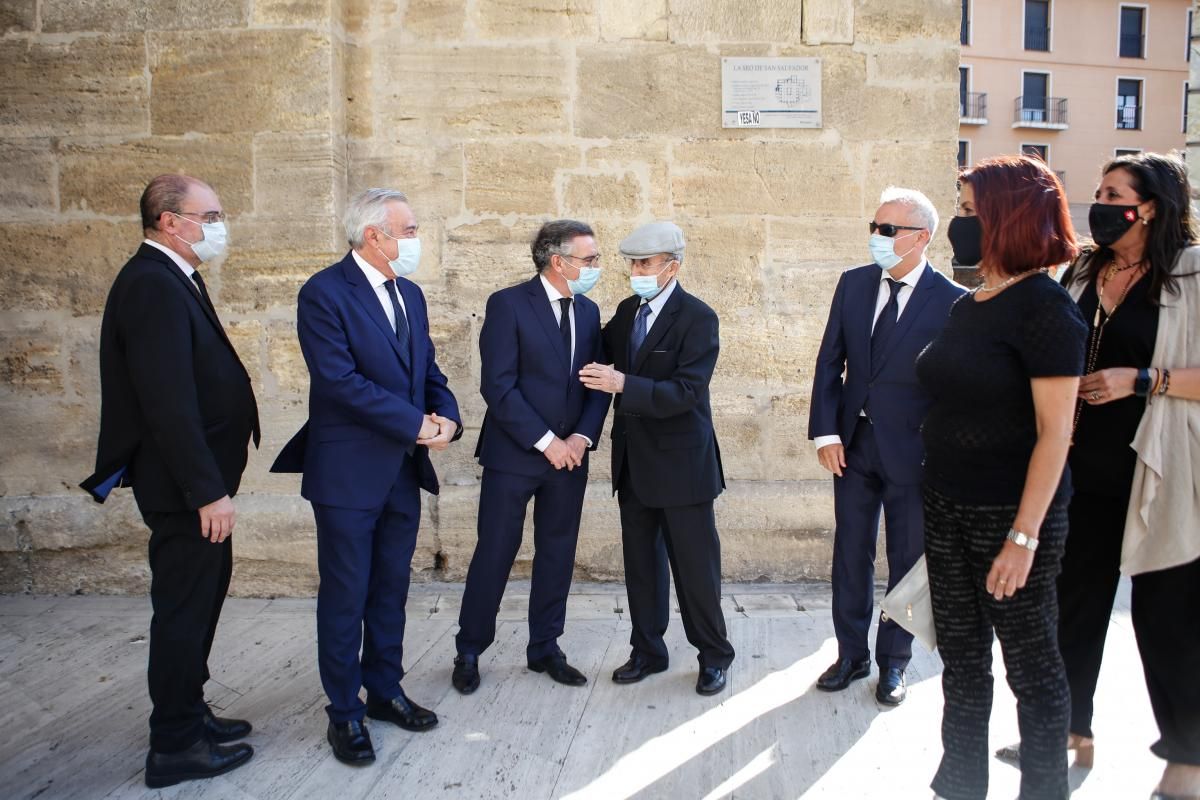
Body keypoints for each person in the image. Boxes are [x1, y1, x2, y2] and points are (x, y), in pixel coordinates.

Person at [1001, 152, 1200, 800]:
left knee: (1167, 620)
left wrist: (1143, 379)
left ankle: (1188, 759)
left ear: (1149, 206)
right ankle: (1069, 730)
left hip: (1157, 473)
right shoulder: (1085, 269)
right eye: (1099, 192)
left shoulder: (1191, 275)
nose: (1101, 203)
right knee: (1071, 610)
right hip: (1078, 474)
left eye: (1113, 193)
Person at [271, 188, 462, 766]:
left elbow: (427, 367)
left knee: (390, 590)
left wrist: (446, 415)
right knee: (345, 595)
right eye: (408, 229)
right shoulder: (325, 293)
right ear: (374, 236)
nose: (415, 239)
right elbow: (339, 382)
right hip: (349, 475)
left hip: (402, 472)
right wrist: (415, 424)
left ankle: (384, 690)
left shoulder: (412, 294)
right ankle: (344, 713)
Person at [916, 155, 1087, 800]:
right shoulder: (976, 301)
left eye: (967, 212)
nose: (959, 225)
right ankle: (961, 784)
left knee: (1032, 668)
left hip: (1008, 516)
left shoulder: (1044, 308)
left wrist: (1023, 538)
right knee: (961, 663)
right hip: (947, 504)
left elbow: (1056, 434)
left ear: (1005, 218)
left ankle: (1044, 790)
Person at [81, 174, 259, 788]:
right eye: (209, 214)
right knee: (183, 610)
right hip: (186, 491)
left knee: (201, 603)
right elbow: (168, 403)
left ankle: (189, 711)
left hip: (199, 485)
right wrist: (206, 491)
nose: (218, 223)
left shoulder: (175, 277)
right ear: (168, 221)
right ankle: (175, 744)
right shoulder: (152, 285)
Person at [809, 187, 964, 706]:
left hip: (915, 455)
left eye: (887, 230)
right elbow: (830, 362)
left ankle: (895, 662)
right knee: (850, 554)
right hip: (852, 446)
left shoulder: (951, 301)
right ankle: (851, 655)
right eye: (873, 227)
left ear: (920, 238)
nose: (876, 237)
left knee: (908, 558)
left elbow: (953, 387)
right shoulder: (853, 285)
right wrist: (826, 433)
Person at [451, 220, 612, 693]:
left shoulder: (588, 310)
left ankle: (545, 646)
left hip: (570, 460)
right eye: (590, 259)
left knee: (557, 553)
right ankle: (470, 648)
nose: (596, 267)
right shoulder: (507, 304)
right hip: (515, 457)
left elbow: (597, 381)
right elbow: (497, 386)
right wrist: (548, 441)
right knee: (495, 552)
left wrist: (581, 438)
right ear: (558, 261)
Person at [579, 221, 735, 696]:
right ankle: (648, 650)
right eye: (631, 263)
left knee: (695, 571)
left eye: (644, 263)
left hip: (684, 467)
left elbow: (687, 391)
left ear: (673, 266)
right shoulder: (629, 311)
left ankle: (713, 656)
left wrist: (626, 384)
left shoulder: (697, 317)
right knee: (642, 569)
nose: (635, 271)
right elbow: (594, 350)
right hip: (635, 467)